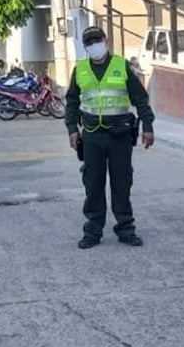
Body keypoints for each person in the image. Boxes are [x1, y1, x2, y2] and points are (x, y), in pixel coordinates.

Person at [65, 25, 155, 249]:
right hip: (92, 135)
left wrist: (148, 126)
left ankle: (125, 228)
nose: (94, 45)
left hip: (120, 135)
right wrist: (72, 129)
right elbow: (72, 102)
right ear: (85, 46)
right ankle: (93, 231)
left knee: (121, 182)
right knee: (93, 184)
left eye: (97, 40)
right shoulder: (80, 69)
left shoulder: (121, 65)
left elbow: (140, 99)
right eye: (90, 42)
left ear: (105, 41)